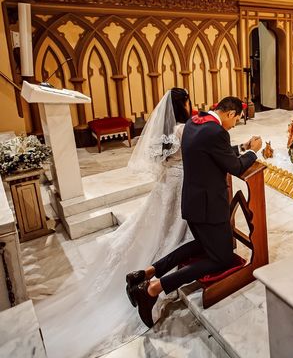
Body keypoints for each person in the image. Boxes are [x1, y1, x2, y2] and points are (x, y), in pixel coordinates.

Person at [36, 88, 193, 358]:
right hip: (179, 186)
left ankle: (142, 271)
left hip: (166, 183)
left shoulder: (162, 134)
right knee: (173, 226)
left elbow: (159, 158)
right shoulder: (182, 131)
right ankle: (153, 279)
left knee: (156, 223)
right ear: (183, 105)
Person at [127, 96, 262, 328]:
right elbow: (235, 166)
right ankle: (152, 289)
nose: (235, 124)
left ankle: (145, 273)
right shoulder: (217, 133)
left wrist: (242, 147)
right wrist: (253, 153)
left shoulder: (194, 123)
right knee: (223, 257)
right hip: (209, 209)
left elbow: (211, 152)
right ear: (230, 114)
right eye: (237, 119)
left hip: (193, 204)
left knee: (201, 245)